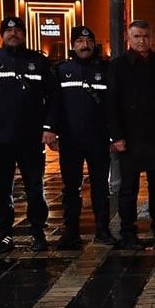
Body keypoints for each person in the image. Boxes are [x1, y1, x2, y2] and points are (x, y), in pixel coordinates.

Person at [0, 16, 55, 253]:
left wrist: (49, 128)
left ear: (24, 34)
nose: (13, 34)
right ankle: (4, 235)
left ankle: (38, 232)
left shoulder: (38, 61)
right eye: (8, 31)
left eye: (18, 30)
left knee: (35, 189)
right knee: (0, 189)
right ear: (2, 35)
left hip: (30, 138)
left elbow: (53, 98)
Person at [107, 20, 155, 248]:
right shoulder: (118, 65)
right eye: (136, 36)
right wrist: (116, 136)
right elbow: (113, 104)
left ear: (151, 37)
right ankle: (128, 232)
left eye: (145, 36)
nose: (141, 40)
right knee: (129, 188)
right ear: (129, 38)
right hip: (130, 136)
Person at [47, 26, 114, 249]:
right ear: (72, 45)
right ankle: (71, 232)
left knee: (100, 187)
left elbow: (113, 106)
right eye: (79, 41)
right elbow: (55, 104)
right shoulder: (61, 70)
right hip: (71, 139)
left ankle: (103, 230)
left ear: (94, 44)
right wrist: (51, 130)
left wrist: (115, 135)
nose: (84, 45)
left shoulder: (106, 69)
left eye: (88, 40)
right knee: (71, 187)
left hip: (99, 138)